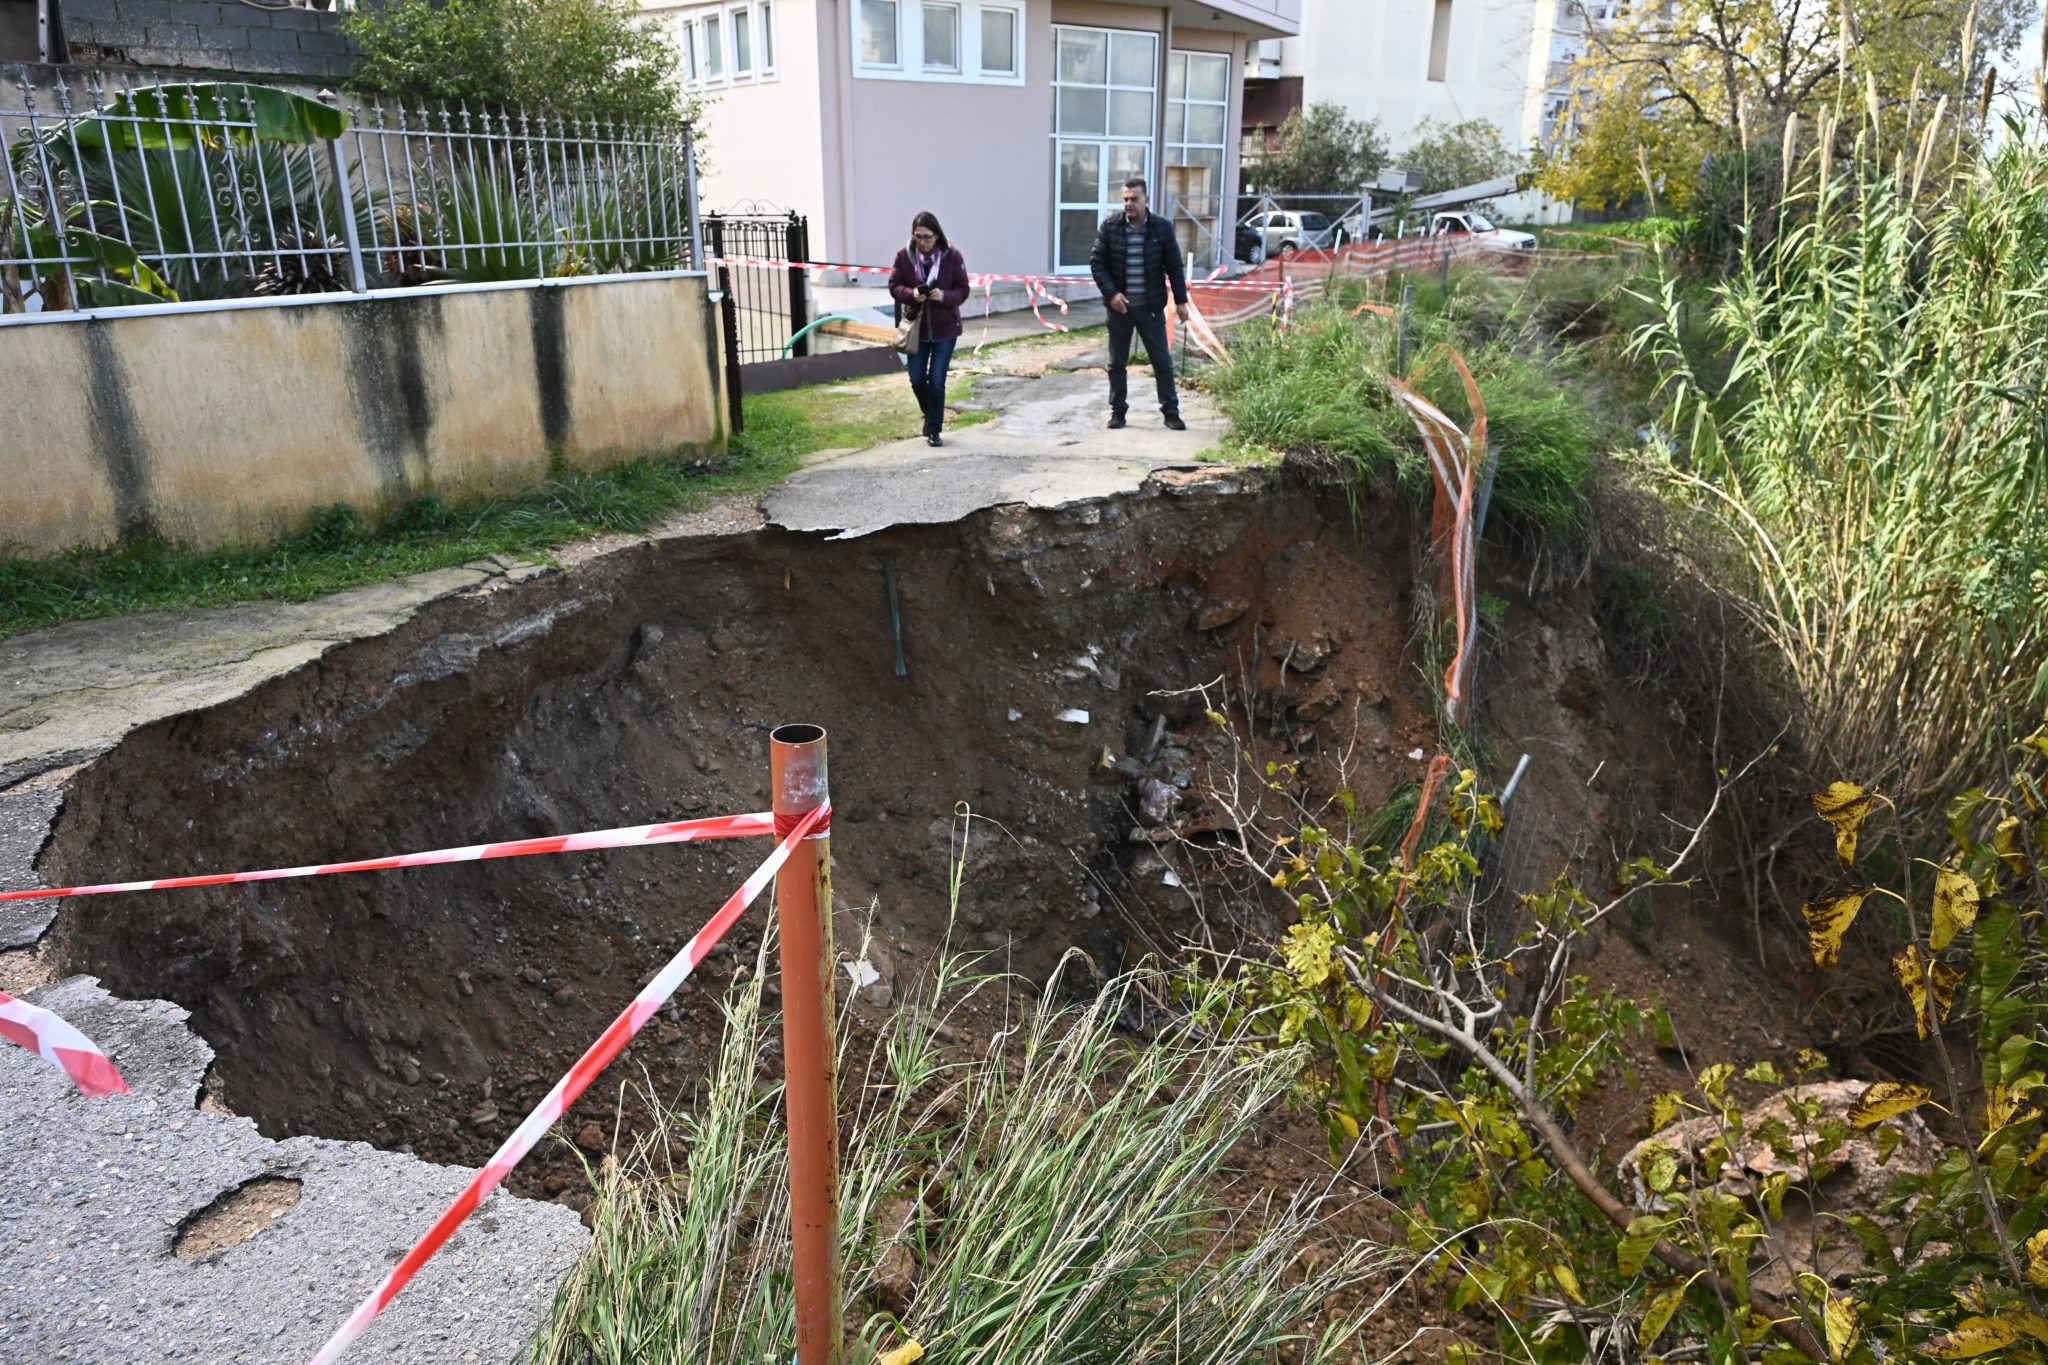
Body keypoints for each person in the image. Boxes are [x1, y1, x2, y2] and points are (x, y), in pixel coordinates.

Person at [1088, 178, 1190, 431]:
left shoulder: (1161, 229)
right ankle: (1118, 412)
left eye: (1134, 199)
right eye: (1125, 199)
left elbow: (1174, 267)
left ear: (1146, 200)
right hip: (1119, 310)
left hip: (1151, 308)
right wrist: (1112, 294)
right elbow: (1097, 263)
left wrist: (1181, 301)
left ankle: (1171, 412)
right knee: (1117, 363)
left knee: (1162, 361)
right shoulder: (1110, 227)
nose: (1129, 204)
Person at [888, 211, 972, 448]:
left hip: (946, 327)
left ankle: (934, 429)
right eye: (917, 236)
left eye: (926, 237)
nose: (922, 242)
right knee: (916, 379)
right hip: (917, 328)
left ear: (937, 236)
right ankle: (931, 414)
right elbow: (894, 286)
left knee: (936, 380)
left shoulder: (952, 257)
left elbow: (963, 290)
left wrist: (944, 296)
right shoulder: (904, 257)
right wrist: (911, 294)